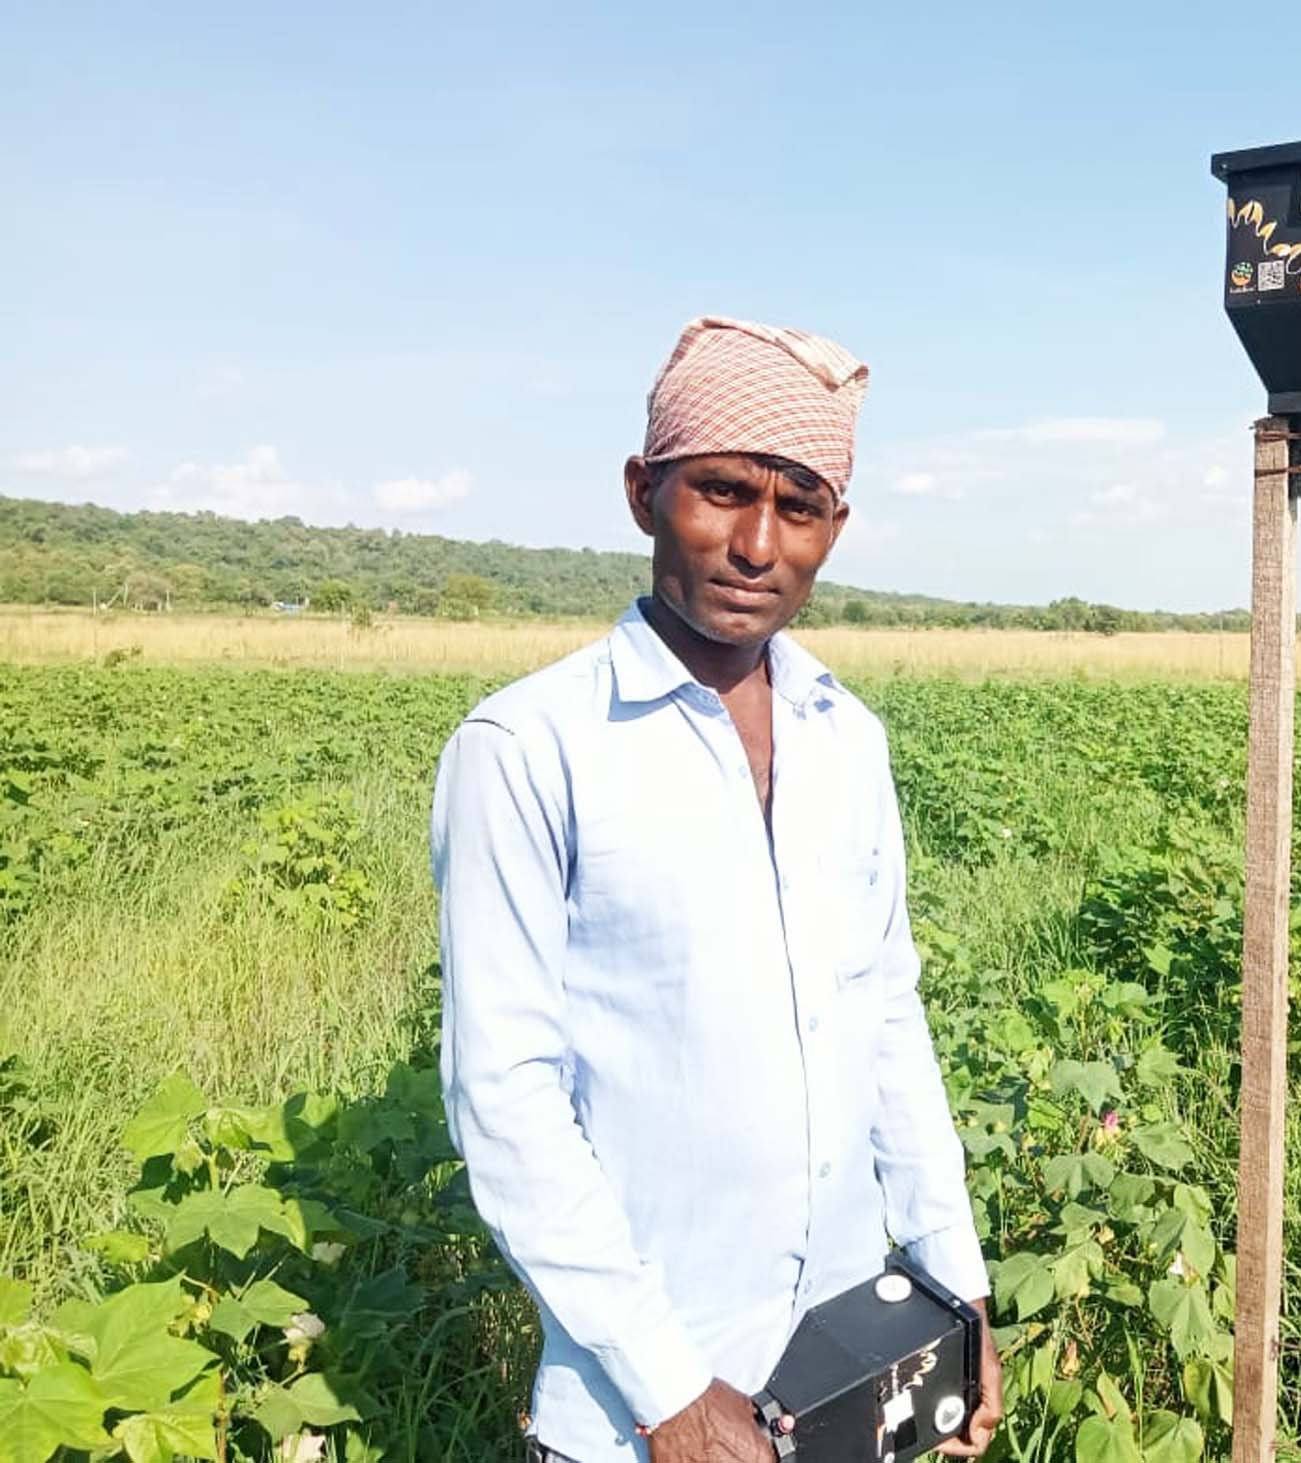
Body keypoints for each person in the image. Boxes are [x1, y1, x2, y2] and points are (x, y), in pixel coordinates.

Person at [431, 317, 1003, 1463]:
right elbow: (506, 1098)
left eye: (798, 508)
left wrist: (955, 1282)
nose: (756, 544)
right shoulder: (529, 746)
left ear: (835, 526)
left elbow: (889, 1015)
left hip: (847, 1368)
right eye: (722, 492)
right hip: (638, 1414)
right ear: (645, 493)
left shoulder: (849, 740)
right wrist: (672, 1388)